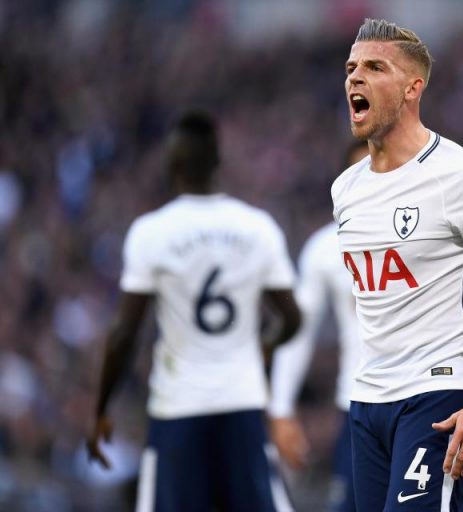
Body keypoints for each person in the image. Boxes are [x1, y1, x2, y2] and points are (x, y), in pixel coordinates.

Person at [332, 18, 463, 511]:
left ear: (413, 88)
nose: (355, 77)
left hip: (442, 394)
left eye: (374, 67)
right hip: (368, 400)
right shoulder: (346, 189)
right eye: (351, 68)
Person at [85, 111, 300, 512]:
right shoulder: (257, 227)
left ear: (171, 166)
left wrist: (101, 409)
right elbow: (291, 318)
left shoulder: (152, 232)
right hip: (241, 402)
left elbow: (124, 333)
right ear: (218, 162)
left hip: (178, 408)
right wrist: (262, 348)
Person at [269, 140, 369, 512]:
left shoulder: (429, 237)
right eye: (361, 172)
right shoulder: (327, 248)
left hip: (423, 400)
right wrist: (281, 408)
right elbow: (299, 331)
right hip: (358, 404)